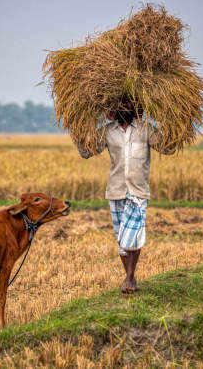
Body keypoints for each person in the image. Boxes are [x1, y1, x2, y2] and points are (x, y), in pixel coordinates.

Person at [77, 97, 175, 294]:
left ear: (136, 107)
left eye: (128, 104)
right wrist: (78, 127)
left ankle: (129, 278)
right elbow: (86, 152)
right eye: (119, 105)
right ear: (113, 108)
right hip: (115, 189)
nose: (124, 108)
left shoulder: (145, 129)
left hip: (138, 190)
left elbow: (168, 148)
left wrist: (176, 124)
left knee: (133, 236)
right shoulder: (107, 131)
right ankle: (131, 276)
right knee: (122, 240)